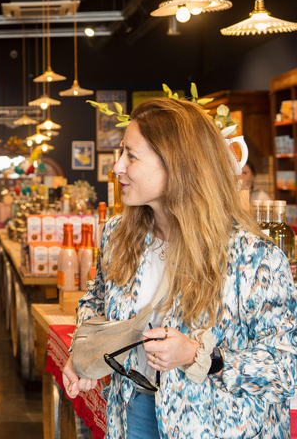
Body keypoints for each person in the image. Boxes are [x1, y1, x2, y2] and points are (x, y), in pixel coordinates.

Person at [62, 98, 297, 438]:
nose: (117, 168)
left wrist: (199, 355)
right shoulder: (118, 235)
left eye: (131, 155)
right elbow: (94, 306)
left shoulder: (253, 255)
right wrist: (85, 356)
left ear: (177, 163)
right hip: (133, 412)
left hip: (219, 425)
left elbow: (285, 368)